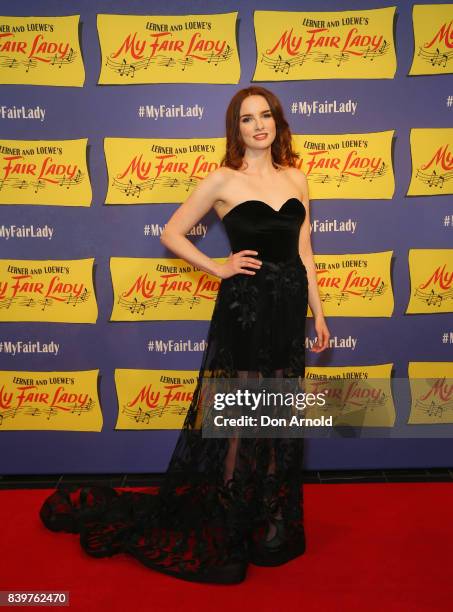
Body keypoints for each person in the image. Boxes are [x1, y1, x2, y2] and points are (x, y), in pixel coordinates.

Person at [39, 86, 330, 585]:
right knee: (242, 412)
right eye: (246, 119)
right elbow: (171, 232)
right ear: (235, 129)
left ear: (278, 122)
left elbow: (304, 251)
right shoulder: (222, 179)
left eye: (265, 116)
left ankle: (274, 517)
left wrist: (319, 315)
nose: (258, 125)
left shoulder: (297, 178)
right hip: (245, 307)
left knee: (279, 407)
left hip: (288, 309)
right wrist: (218, 266)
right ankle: (232, 521)